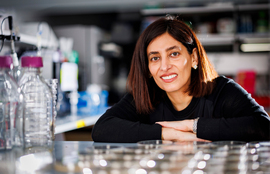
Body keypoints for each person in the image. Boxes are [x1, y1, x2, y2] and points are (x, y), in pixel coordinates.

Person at [92, 15, 270, 143]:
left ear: (194, 58)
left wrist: (191, 126)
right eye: (155, 58)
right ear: (147, 68)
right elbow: (102, 129)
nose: (164, 66)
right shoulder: (145, 96)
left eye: (174, 54)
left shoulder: (221, 90)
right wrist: (168, 133)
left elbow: (263, 126)